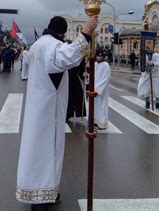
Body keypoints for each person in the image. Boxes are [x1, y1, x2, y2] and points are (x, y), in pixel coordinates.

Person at [16, 15, 98, 208]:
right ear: (62, 32)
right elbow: (66, 57)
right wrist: (85, 32)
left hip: (37, 108)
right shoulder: (51, 45)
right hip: (48, 112)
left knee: (34, 151)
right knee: (48, 152)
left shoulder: (37, 45)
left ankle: (35, 192)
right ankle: (43, 197)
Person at [86, 50, 111, 130]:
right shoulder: (95, 64)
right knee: (94, 105)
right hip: (94, 88)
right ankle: (95, 121)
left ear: (103, 57)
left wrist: (97, 88)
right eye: (98, 56)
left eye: (101, 56)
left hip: (101, 90)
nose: (99, 57)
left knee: (102, 105)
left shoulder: (106, 65)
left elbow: (106, 78)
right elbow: (93, 75)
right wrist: (88, 75)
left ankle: (102, 123)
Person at [65, 39, 86, 122]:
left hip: (72, 79)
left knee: (72, 97)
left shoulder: (75, 56)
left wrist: (83, 73)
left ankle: (68, 115)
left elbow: (80, 67)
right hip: (63, 79)